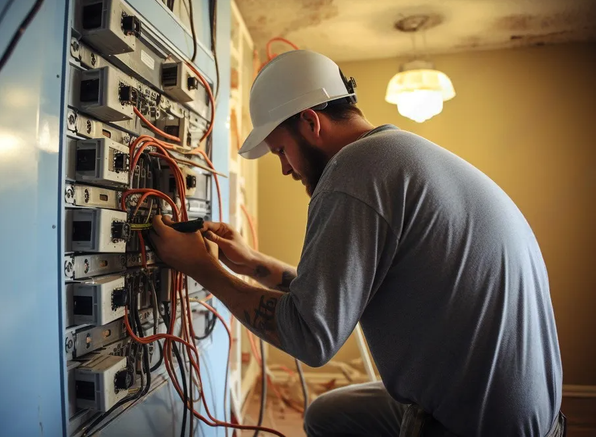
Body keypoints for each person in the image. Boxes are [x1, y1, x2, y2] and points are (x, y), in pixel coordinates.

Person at [150, 50, 564, 436]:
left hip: (482, 426)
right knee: (328, 414)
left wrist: (203, 268)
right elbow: (335, 296)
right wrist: (255, 264)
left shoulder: (354, 172)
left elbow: (311, 336)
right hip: (531, 415)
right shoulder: (393, 156)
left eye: (281, 150)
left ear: (311, 123)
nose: (284, 169)